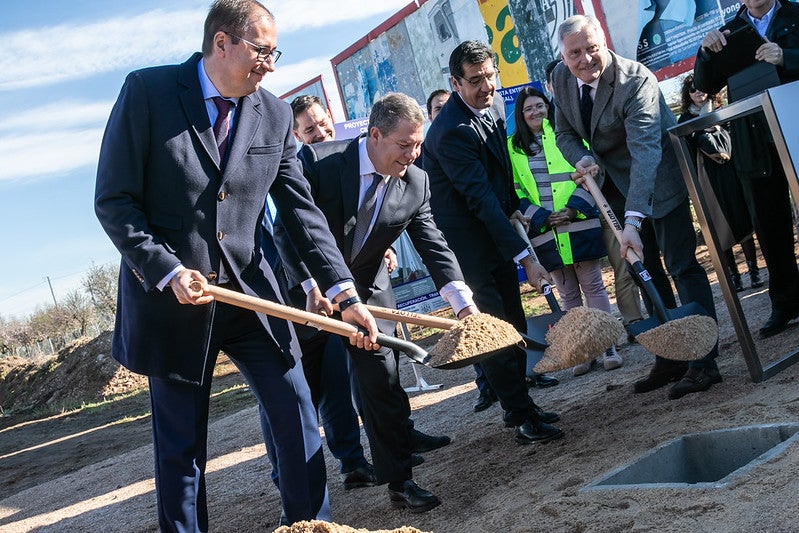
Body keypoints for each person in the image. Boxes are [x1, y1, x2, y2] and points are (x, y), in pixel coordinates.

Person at [93, 1, 380, 529]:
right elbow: (114, 201)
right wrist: (167, 270)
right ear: (221, 43)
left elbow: (300, 210)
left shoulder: (272, 113)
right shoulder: (149, 93)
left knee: (298, 414)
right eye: (262, 50)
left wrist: (345, 292)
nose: (270, 64)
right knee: (183, 451)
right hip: (175, 301)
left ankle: (309, 525)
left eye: (276, 53)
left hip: (254, 297)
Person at [283, 92, 477, 513]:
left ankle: (400, 480)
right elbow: (289, 230)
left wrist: (463, 303)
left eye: (418, 143)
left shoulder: (416, 182)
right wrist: (311, 284)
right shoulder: (317, 164)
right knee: (299, 394)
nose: (413, 154)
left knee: (382, 382)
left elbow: (433, 244)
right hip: (306, 297)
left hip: (367, 293)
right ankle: (294, 491)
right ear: (375, 135)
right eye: (404, 145)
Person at [551, 14, 721, 400]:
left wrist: (632, 218)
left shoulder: (635, 80)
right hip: (611, 184)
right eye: (575, 53)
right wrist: (581, 159)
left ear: (603, 41)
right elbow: (563, 133)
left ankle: (704, 361)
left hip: (657, 179)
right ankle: (670, 356)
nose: (585, 59)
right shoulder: (561, 80)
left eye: (592, 48)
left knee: (680, 264)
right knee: (642, 269)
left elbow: (646, 152)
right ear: (563, 57)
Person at [423, 40, 564, 442]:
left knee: (515, 321)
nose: (486, 86)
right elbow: (479, 199)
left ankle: (521, 404)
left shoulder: (489, 111)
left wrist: (515, 205)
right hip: (469, 249)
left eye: (490, 76)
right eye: (475, 80)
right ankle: (522, 417)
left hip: (495, 235)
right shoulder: (450, 130)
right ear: (455, 82)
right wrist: (527, 257)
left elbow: (498, 182)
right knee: (497, 332)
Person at [693, 0, 799, 338]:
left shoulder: (795, 15)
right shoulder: (729, 31)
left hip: (796, 128)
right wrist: (706, 54)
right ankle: (785, 303)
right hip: (754, 141)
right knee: (769, 223)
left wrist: (786, 57)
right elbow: (706, 85)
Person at [508, 86, 622, 376]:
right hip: (546, 231)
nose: (535, 112)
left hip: (578, 220)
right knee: (568, 292)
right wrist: (543, 217)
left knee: (593, 285)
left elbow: (590, 172)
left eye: (539, 106)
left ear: (548, 107)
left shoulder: (565, 134)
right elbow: (515, 191)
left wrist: (572, 209)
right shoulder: (513, 147)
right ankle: (582, 350)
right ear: (521, 115)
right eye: (528, 109)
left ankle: (607, 344)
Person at [677, 74, 763, 293]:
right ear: (688, 95)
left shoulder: (722, 110)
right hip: (706, 179)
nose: (698, 92)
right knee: (718, 227)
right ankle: (734, 277)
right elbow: (684, 153)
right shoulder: (684, 120)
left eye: (701, 87)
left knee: (742, 220)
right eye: (693, 89)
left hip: (731, 173)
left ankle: (754, 272)